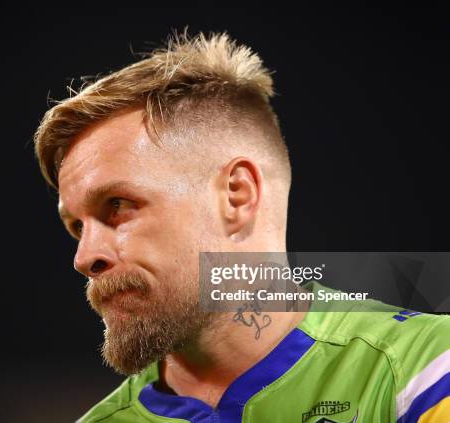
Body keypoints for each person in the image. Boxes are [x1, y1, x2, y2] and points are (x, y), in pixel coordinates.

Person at [33, 30, 450, 422]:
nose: (84, 257)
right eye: (75, 226)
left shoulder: (426, 371)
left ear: (237, 195)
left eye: (117, 206)